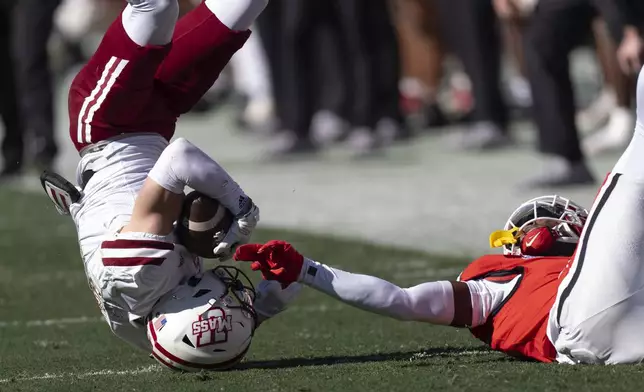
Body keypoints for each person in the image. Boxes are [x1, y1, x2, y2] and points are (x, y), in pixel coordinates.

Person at [235, 66, 644, 364]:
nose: (553, 227)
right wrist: (308, 269)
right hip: (572, 316)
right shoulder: (495, 281)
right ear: (527, 244)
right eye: (544, 224)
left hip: (607, 341)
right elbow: (400, 300)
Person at [41, 0, 301, 371]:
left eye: (224, 304)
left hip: (106, 123)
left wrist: (242, 208)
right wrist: (262, 310)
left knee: (157, 6)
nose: (231, 300)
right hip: (158, 121)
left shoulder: (142, 271)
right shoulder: (156, 323)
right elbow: (189, 334)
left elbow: (179, 159)